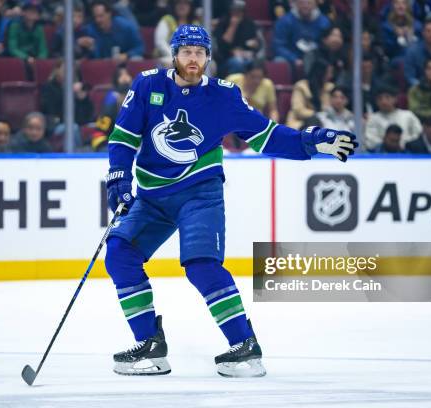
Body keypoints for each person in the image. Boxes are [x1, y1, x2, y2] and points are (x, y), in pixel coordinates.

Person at [103, 24, 357, 378]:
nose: (193, 58)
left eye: (200, 52)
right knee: (119, 254)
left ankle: (244, 345)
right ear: (174, 54)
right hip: (151, 196)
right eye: (187, 51)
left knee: (201, 265)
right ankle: (149, 345)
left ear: (208, 57)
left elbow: (265, 136)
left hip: (199, 193)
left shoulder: (224, 96)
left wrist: (310, 143)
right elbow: (123, 137)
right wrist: (118, 175)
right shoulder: (147, 85)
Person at [273, 0, 331, 72]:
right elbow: (278, 45)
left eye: (309, 3)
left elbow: (326, 45)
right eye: (302, 3)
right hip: (292, 57)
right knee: (279, 61)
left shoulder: (324, 22)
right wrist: (294, 59)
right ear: (295, 4)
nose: (305, 6)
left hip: (316, 57)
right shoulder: (284, 21)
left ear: (315, 5)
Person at [364, 86, 422, 150]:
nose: (384, 102)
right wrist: (389, 144)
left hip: (408, 152)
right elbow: (370, 141)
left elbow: (419, 134)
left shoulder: (408, 115)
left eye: (387, 97)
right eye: (380, 98)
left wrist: (403, 143)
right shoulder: (373, 118)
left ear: (395, 99)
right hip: (382, 155)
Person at [91, 64, 134, 151]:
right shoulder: (109, 111)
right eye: (123, 96)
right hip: (110, 147)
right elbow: (98, 133)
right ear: (118, 96)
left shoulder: (138, 110)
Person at [213, 0, 260, 76]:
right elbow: (222, 46)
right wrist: (233, 25)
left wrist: (254, 45)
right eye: (235, 11)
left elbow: (255, 44)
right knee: (237, 62)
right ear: (230, 11)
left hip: (246, 57)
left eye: (240, 11)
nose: (237, 14)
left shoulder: (249, 24)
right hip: (225, 60)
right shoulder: (223, 23)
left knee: (255, 64)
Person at [286, 58, 335, 129]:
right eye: (329, 73)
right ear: (321, 73)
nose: (331, 76)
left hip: (326, 122)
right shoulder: (301, 86)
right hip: (301, 122)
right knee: (314, 123)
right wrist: (318, 115)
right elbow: (298, 111)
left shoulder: (330, 87)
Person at [154, 0, 199, 67]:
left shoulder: (195, 24)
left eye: (186, 3)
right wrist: (174, 55)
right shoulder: (167, 20)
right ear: (174, 5)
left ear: (191, 7)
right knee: (171, 63)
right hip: (167, 56)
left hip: (190, 58)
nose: (182, 6)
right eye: (179, 3)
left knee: (210, 64)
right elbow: (160, 42)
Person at [6, 0, 48, 68]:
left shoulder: (39, 29)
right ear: (23, 12)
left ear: (38, 16)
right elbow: (12, 48)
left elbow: (43, 50)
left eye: (36, 11)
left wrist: (39, 61)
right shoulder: (14, 27)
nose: (33, 12)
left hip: (36, 62)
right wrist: (26, 58)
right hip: (17, 62)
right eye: (30, 10)